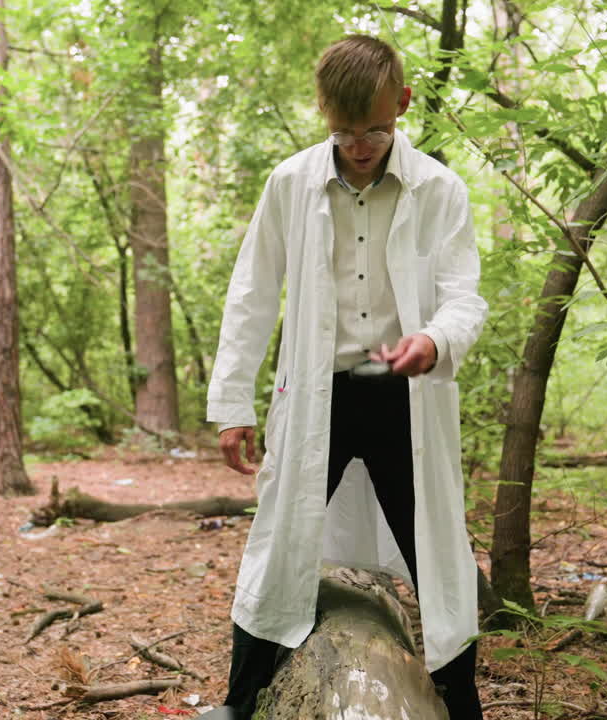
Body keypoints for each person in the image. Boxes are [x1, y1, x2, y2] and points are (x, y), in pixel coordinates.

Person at [204, 34, 488, 719]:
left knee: (437, 553)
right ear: (324, 114)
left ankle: (465, 705)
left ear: (405, 104)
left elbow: (465, 296)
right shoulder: (290, 185)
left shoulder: (440, 190)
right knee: (280, 542)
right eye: (345, 131)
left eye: (377, 129)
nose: (360, 145)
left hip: (403, 399)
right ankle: (240, 704)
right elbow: (252, 294)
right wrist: (233, 404)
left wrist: (433, 338)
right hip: (317, 400)